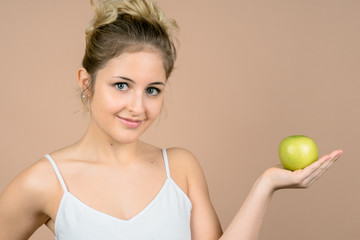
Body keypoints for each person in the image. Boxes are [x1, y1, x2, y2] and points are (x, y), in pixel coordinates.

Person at [0, 0, 343, 239]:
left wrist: (266, 185)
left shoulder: (179, 168)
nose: (138, 106)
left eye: (153, 90)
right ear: (86, 82)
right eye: (122, 85)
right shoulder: (44, 181)